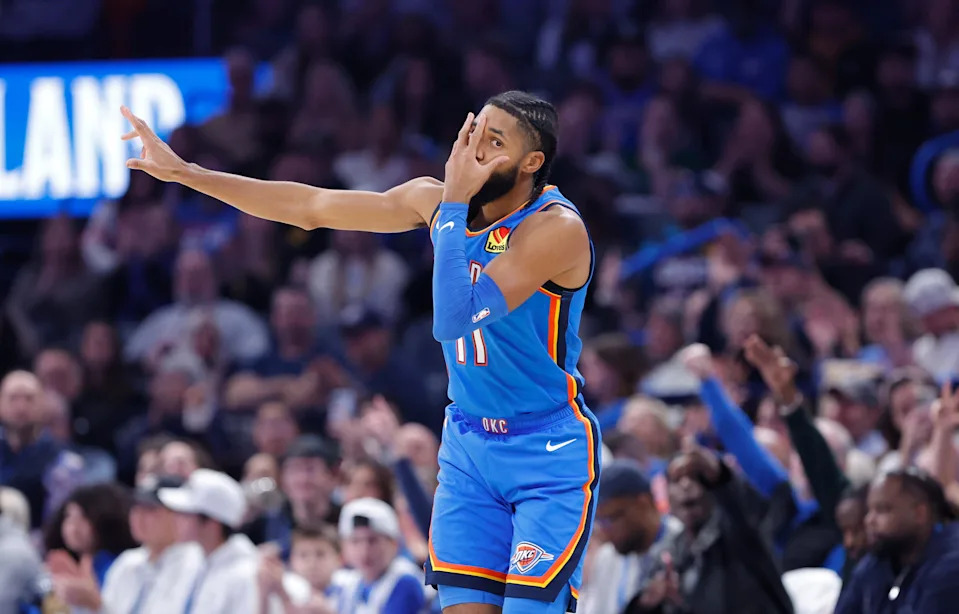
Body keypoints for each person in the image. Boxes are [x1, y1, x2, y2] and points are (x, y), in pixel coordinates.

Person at [122, 87, 597, 614]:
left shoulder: (555, 229)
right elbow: (310, 207)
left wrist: (455, 207)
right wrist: (188, 172)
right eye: (474, 132)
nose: (475, 150)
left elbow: (452, 319)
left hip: (544, 449)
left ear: (533, 161)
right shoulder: (437, 199)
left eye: (495, 141)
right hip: (468, 445)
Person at [158, 468, 311, 614]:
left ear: (212, 523)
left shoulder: (245, 575)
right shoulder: (191, 563)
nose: (175, 520)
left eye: (185, 514)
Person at [834, 468, 959, 613]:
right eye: (869, 510)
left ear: (919, 514)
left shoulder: (950, 566)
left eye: (882, 510)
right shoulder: (878, 560)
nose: (869, 520)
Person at [579, 460, 682, 614]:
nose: (605, 531)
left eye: (612, 518)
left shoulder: (684, 542)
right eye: (600, 522)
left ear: (643, 503)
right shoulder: (607, 558)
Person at [329, 497, 428, 614]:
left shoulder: (406, 581)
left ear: (394, 544)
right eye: (355, 541)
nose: (364, 550)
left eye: (372, 540)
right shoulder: (352, 583)